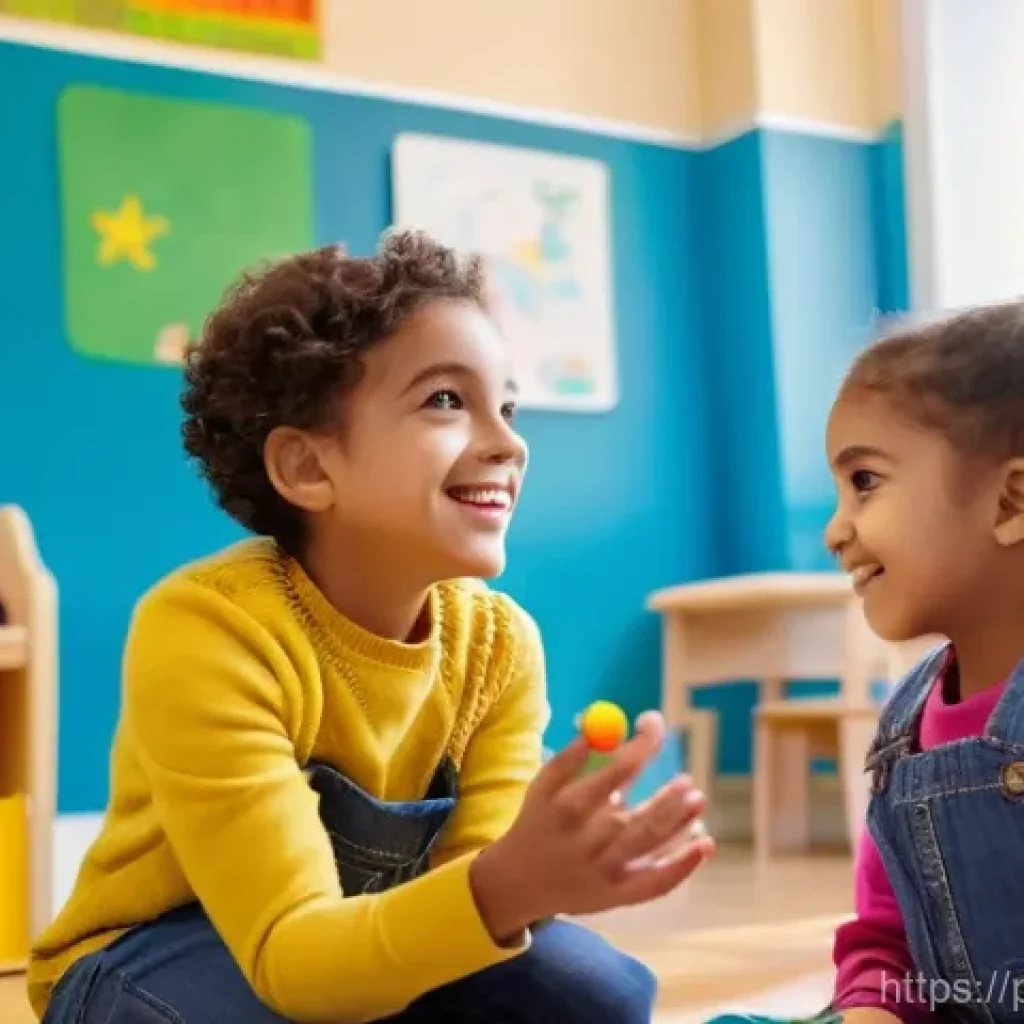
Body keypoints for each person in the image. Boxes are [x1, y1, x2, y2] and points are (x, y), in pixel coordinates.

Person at [28, 229, 715, 1023]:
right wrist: (506, 885)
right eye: (446, 401)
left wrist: (542, 875)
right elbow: (291, 952)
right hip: (162, 949)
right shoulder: (208, 627)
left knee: (598, 993)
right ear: (309, 469)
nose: (509, 443)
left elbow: (472, 900)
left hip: (365, 936)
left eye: (509, 405)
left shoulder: (498, 644)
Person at [826, 300, 1024, 1023]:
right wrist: (872, 1010)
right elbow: (883, 940)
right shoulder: (905, 733)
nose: (834, 530)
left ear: (1011, 500)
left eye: (866, 482)